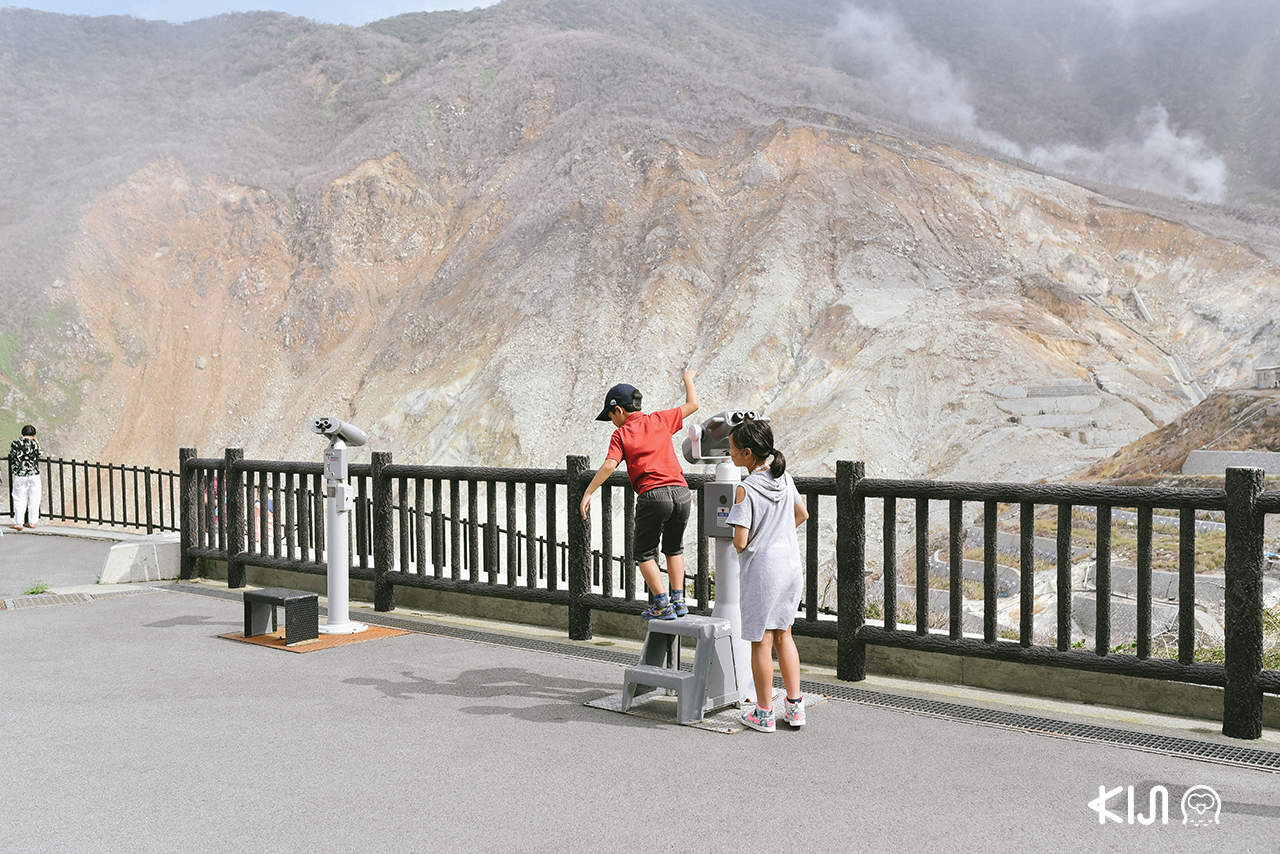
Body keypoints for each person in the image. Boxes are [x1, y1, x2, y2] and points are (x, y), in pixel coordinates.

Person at [580, 370, 698, 620]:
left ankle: (662, 605)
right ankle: (679, 602)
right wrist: (688, 378)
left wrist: (589, 492)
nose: (612, 421)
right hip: (681, 492)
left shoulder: (621, 434)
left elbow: (610, 465)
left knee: (644, 553)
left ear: (618, 410)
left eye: (610, 416)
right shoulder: (660, 419)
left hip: (653, 495)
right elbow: (693, 404)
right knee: (674, 548)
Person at [725, 416, 809, 732]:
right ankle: (795, 707)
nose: (730, 454)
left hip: (763, 571)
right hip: (790, 566)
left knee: (761, 641)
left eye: (732, 449)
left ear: (747, 454)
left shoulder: (745, 489)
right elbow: (802, 514)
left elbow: (740, 541)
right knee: (784, 634)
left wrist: (757, 540)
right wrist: (779, 533)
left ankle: (763, 713)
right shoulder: (784, 478)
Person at [9, 424, 42, 531]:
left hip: (20, 475)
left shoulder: (16, 443)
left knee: (19, 498)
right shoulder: (35, 444)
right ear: (34, 435)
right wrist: (36, 441)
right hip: (34, 474)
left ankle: (19, 523)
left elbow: (12, 456)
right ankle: (32, 522)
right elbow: (39, 453)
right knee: (34, 498)